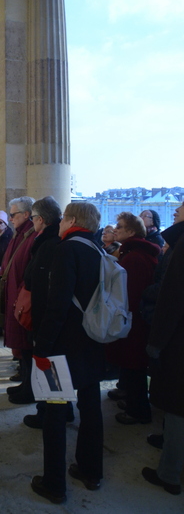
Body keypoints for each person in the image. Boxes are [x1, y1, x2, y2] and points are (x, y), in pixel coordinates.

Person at [31, 203, 105, 504]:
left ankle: (54, 484)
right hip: (93, 343)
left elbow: (57, 305)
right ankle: (91, 471)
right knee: (91, 409)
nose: (59, 224)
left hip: (62, 348)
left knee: (55, 413)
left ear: (72, 220)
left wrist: (42, 346)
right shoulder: (99, 251)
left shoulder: (66, 250)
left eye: (63, 219)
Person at [19, 196, 75, 428]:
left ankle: (50, 414)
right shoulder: (52, 242)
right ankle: (61, 410)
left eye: (32, 218)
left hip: (46, 317)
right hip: (50, 316)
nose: (32, 222)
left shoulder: (49, 244)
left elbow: (40, 284)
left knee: (49, 365)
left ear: (41, 219)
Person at [141, 202, 184, 495]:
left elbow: (171, 299)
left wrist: (155, 344)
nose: (175, 212)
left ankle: (169, 473)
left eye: (180, 210)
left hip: (178, 340)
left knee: (178, 404)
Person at [107, 212, 159, 424]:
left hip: (133, 319)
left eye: (120, 226)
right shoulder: (133, 252)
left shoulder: (135, 257)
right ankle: (128, 396)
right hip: (132, 317)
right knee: (129, 362)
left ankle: (137, 410)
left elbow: (131, 292)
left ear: (131, 231)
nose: (115, 229)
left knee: (134, 362)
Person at [1, 196, 36, 404]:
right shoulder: (21, 235)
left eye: (13, 214)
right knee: (23, 349)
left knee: (29, 348)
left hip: (25, 302)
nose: (10, 218)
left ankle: (32, 390)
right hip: (18, 299)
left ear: (27, 215)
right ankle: (26, 383)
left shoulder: (32, 236)